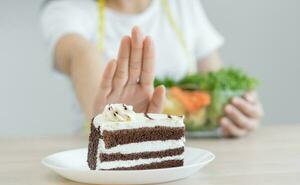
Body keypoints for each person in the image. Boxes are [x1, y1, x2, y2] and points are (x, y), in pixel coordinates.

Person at [40, 0, 263, 137]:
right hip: (107, 161)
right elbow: (81, 54)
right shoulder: (67, 9)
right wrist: (112, 122)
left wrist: (239, 111)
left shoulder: (183, 4)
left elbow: (216, 80)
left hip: (183, 156)